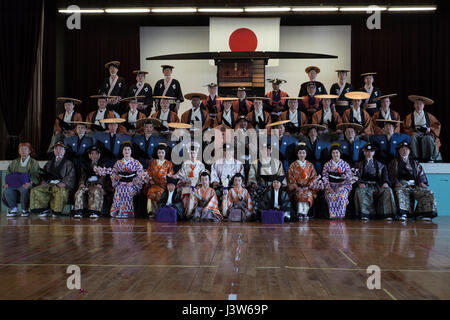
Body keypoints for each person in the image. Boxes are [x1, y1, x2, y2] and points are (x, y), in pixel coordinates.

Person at [388, 141, 437, 221]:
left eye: (406, 149)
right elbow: (392, 175)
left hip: (414, 185)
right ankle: (403, 213)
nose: (404, 151)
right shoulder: (394, 162)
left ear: (409, 151)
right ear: (399, 151)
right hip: (402, 185)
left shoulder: (415, 163)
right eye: (402, 149)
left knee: (428, 192)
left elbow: (420, 174)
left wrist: (421, 182)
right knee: (400, 191)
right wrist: (396, 182)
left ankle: (423, 214)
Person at [30, 141, 76, 217]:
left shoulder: (69, 163)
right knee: (36, 190)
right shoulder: (49, 163)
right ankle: (42, 209)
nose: (58, 151)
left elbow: (71, 175)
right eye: (56, 149)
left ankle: (56, 211)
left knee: (60, 191)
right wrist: (43, 181)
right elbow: (44, 174)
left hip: (61, 184)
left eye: (60, 149)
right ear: (53, 151)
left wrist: (64, 183)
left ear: (64, 151)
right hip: (49, 183)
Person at [354, 143, 396, 221]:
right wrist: (360, 182)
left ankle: (386, 214)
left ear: (374, 153)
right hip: (365, 184)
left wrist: (385, 182)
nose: (369, 153)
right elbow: (356, 176)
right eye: (367, 151)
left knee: (387, 190)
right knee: (360, 191)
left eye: (371, 151)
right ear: (364, 152)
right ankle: (365, 214)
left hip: (377, 184)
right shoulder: (358, 164)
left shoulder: (380, 164)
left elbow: (385, 175)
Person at [110, 141, 148, 218]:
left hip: (133, 185)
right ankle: (118, 211)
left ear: (131, 151)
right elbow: (113, 173)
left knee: (128, 190)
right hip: (121, 183)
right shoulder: (118, 163)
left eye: (128, 149)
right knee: (119, 190)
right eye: (125, 149)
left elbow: (141, 174)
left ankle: (126, 212)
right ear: (122, 151)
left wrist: (133, 182)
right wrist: (116, 177)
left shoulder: (136, 162)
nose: (127, 151)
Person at [247, 139, 286, 214]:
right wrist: (253, 183)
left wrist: (278, 183)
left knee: (279, 192)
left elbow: (281, 175)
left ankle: (277, 212)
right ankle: (257, 213)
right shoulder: (255, 163)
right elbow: (251, 175)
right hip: (260, 185)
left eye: (268, 150)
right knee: (253, 192)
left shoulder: (277, 162)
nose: (266, 151)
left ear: (270, 151)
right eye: (264, 150)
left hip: (274, 185)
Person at [2, 142, 40, 217]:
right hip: (14, 184)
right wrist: (7, 183)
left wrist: (30, 183)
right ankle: (13, 208)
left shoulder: (33, 162)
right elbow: (9, 173)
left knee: (24, 189)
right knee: (7, 189)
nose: (23, 151)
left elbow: (35, 175)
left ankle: (25, 210)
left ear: (29, 151)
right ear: (19, 151)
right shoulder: (15, 162)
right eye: (21, 149)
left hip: (27, 184)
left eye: (25, 149)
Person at [73, 145, 109, 219]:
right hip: (88, 185)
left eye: (96, 153)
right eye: (92, 153)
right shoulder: (86, 165)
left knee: (95, 191)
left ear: (99, 155)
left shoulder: (103, 165)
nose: (94, 155)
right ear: (89, 155)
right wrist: (81, 183)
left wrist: (99, 184)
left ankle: (94, 212)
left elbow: (103, 176)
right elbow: (83, 175)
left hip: (97, 185)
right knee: (79, 192)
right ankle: (79, 211)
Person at [403, 95, 441, 162]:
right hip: (415, 133)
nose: (418, 105)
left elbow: (437, 125)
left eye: (420, 104)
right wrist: (414, 131)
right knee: (412, 138)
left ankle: (429, 158)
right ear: (414, 105)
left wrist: (430, 129)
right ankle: (415, 158)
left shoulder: (428, 115)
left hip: (427, 133)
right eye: (417, 103)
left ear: (424, 105)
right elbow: (406, 128)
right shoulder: (409, 116)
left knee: (428, 138)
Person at [288, 142, 319, 220]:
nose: (302, 155)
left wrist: (308, 186)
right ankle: (299, 213)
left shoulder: (310, 165)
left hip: (308, 188)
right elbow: (290, 177)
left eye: (303, 153)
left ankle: (305, 213)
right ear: (297, 154)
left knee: (308, 194)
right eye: (300, 153)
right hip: (297, 188)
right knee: (299, 194)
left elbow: (313, 177)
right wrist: (296, 187)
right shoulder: (293, 165)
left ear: (306, 154)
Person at [322, 143, 353, 219]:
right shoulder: (327, 165)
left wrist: (342, 187)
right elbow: (325, 177)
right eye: (333, 153)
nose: (335, 154)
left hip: (342, 186)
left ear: (340, 153)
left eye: (337, 152)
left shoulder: (345, 164)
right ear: (331, 154)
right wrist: (328, 188)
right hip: (331, 186)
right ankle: (333, 216)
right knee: (330, 196)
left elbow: (349, 178)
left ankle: (341, 215)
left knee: (342, 196)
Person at [175, 143, 206, 217]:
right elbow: (181, 174)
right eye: (191, 152)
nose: (192, 154)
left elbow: (203, 177)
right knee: (186, 195)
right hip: (187, 185)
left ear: (197, 153)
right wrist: (177, 177)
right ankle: (186, 213)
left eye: (194, 152)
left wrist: (198, 185)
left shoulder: (200, 164)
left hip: (197, 186)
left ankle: (192, 213)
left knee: (194, 194)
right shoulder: (185, 163)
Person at [146, 143, 174, 217]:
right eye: (159, 152)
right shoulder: (153, 163)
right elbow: (149, 172)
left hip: (164, 185)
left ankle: (161, 211)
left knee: (160, 192)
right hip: (154, 183)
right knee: (151, 191)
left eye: (162, 152)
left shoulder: (169, 163)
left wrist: (168, 178)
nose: (161, 154)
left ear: (165, 153)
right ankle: (152, 211)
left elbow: (171, 174)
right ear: (157, 153)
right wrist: (150, 180)